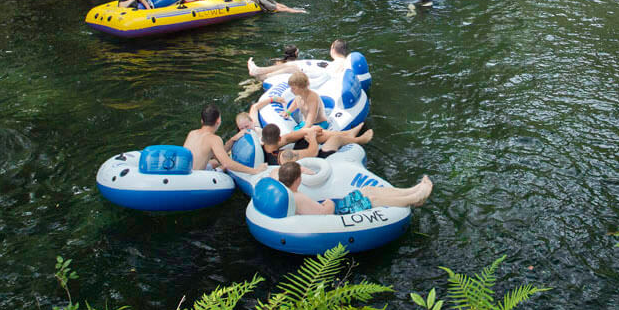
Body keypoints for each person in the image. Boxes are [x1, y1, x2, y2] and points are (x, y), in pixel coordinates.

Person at [276, 161, 433, 215]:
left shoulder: (284, 188)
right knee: (371, 199)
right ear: (298, 179)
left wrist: (301, 168)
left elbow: (273, 172)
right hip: (336, 213)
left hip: (338, 207)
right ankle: (415, 198)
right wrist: (328, 203)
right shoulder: (297, 197)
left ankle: (412, 189)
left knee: (367, 189)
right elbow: (324, 213)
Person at [183, 105, 267, 174]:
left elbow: (218, 155)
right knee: (224, 166)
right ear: (218, 121)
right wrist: (254, 171)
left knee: (215, 162)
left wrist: (233, 139)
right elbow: (227, 164)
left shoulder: (192, 133)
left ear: (202, 121)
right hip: (196, 178)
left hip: (183, 172)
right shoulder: (214, 139)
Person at [248, 39, 351, 79]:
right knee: (291, 66)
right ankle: (258, 72)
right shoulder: (343, 62)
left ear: (332, 48)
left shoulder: (339, 62)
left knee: (292, 67)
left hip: (319, 78)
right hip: (321, 76)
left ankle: (259, 73)